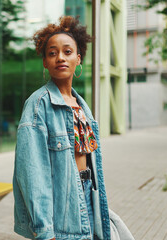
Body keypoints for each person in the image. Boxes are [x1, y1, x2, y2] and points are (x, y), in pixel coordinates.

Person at [12, 16, 133, 240]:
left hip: (89, 196)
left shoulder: (81, 106)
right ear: (45, 62)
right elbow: (31, 174)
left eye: (67, 52)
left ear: (78, 59)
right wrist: (45, 230)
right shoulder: (38, 104)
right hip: (62, 207)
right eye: (52, 53)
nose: (60, 57)